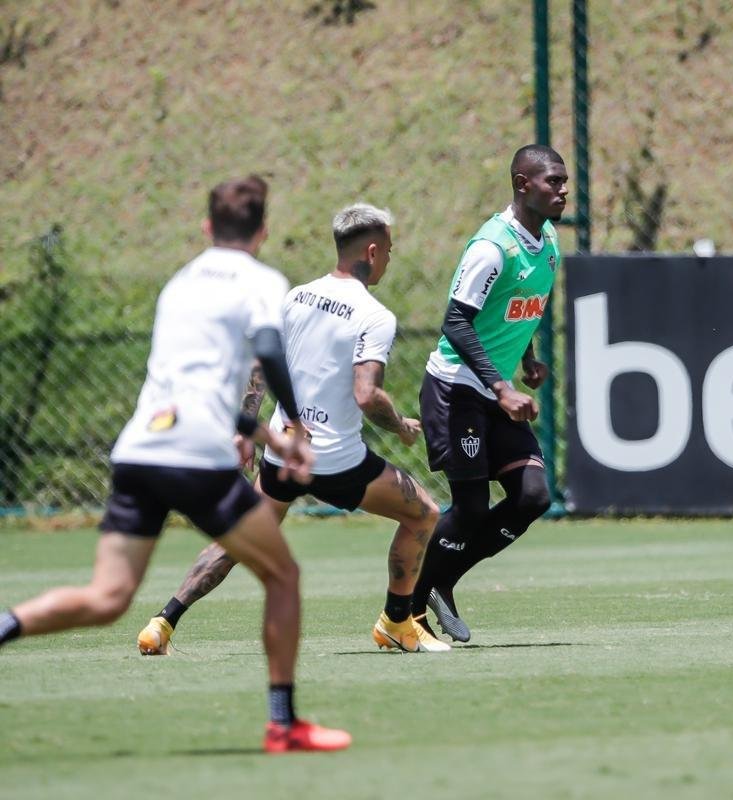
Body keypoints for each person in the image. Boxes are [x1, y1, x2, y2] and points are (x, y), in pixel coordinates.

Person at [0, 176, 351, 753]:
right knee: (282, 575)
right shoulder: (261, 282)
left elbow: (190, 386)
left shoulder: (179, 285)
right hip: (196, 458)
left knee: (107, 598)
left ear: (206, 228)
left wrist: (262, 433)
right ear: (263, 231)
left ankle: (6, 625)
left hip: (140, 449)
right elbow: (267, 348)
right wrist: (296, 425)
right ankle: (284, 724)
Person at [136, 203, 448, 656]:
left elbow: (261, 366)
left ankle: (163, 621)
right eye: (390, 251)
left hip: (281, 452)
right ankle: (396, 622)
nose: (389, 259)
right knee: (423, 513)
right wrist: (399, 425)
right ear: (374, 252)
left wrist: (246, 430)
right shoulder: (374, 315)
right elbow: (368, 395)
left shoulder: (296, 296)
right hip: (334, 460)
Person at [410, 144, 567, 642]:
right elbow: (456, 321)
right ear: (523, 185)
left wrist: (526, 359)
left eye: (564, 182)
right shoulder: (491, 247)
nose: (563, 190)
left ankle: (442, 582)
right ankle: (406, 611)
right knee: (472, 508)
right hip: (457, 389)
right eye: (553, 182)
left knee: (533, 495)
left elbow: (520, 307)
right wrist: (501, 386)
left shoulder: (549, 242)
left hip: (495, 392)